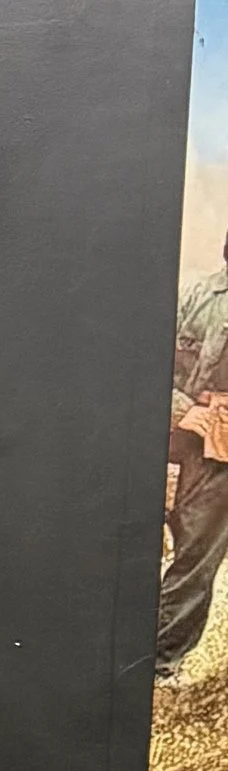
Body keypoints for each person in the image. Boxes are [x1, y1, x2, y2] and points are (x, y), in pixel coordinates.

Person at [157, 227, 228, 687]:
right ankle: (154, 661)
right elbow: (155, 361)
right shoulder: (198, 295)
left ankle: (161, 661)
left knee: (195, 557)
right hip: (194, 444)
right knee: (187, 555)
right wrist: (186, 412)